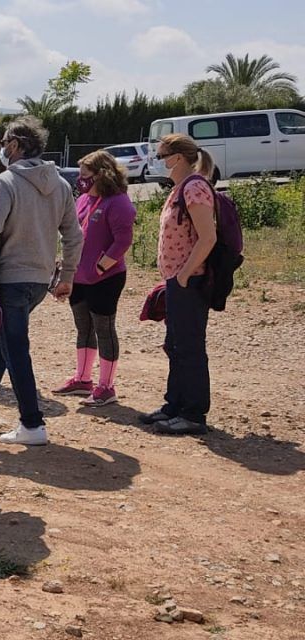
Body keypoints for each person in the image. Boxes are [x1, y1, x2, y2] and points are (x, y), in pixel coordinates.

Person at [0, 116, 83, 446]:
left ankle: (32, 424)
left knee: (15, 347)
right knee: (9, 341)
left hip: (9, 276)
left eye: (6, 143)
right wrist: (67, 277)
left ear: (17, 145)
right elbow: (74, 236)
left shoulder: (6, 182)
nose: (4, 149)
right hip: (39, 279)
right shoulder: (61, 185)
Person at [140, 134, 218, 435]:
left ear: (179, 158)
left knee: (189, 347)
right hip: (176, 280)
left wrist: (185, 274)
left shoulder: (195, 187)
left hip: (190, 281)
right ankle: (174, 404)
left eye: (162, 156)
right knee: (175, 345)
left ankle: (193, 413)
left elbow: (207, 237)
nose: (158, 161)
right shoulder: (180, 188)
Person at [53, 150, 136, 407]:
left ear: (102, 174)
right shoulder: (84, 200)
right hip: (79, 277)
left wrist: (100, 267)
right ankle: (83, 379)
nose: (80, 179)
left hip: (105, 279)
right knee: (83, 328)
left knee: (104, 329)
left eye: (85, 175)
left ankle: (107, 386)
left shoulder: (118, 202)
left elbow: (123, 240)